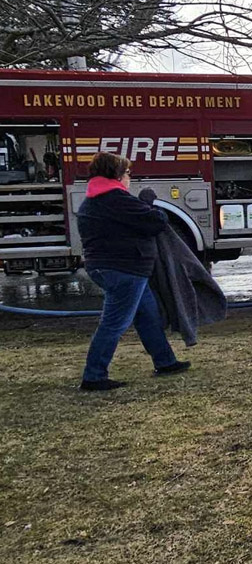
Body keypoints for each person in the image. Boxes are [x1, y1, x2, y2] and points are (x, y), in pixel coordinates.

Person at [76, 152, 190, 391]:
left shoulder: (93, 199)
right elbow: (156, 221)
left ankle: (165, 360)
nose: (129, 177)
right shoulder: (116, 198)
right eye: (127, 172)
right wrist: (148, 202)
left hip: (111, 267)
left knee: (147, 315)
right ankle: (94, 375)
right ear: (116, 174)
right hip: (125, 269)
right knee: (114, 323)